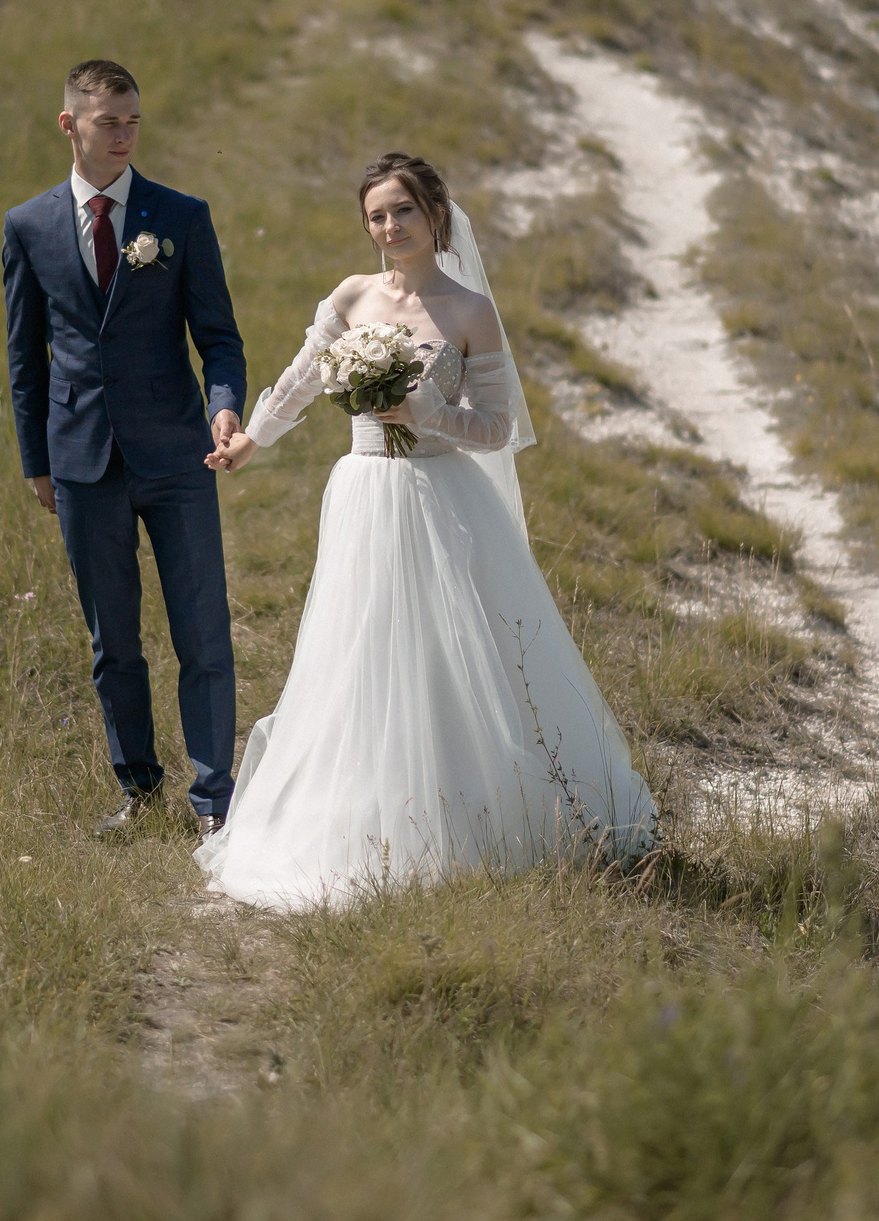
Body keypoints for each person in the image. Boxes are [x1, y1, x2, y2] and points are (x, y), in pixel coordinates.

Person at [199, 152, 656, 909]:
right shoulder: (352, 296)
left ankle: (464, 811)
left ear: (435, 213)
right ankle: (357, 810)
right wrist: (250, 439)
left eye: (403, 210)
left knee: (450, 650)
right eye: (376, 216)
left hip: (442, 495)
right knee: (361, 646)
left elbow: (498, 427)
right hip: (364, 494)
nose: (390, 227)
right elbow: (302, 380)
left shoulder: (470, 311)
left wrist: (429, 414)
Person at [0, 59, 248, 836]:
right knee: (113, 642)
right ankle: (139, 791)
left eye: (133, 121)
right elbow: (25, 356)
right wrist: (37, 462)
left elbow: (219, 338)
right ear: (69, 124)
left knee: (202, 630)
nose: (124, 135)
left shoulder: (180, 216)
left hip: (178, 454)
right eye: (108, 122)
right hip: (81, 461)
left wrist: (225, 407)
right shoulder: (28, 225)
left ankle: (214, 798)